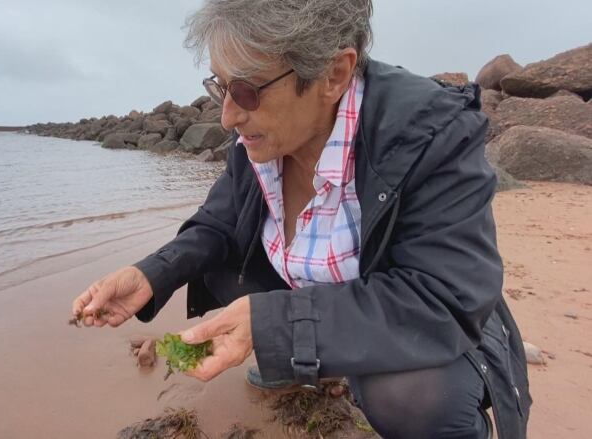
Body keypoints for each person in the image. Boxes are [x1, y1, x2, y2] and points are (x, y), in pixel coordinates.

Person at [71, 1, 531, 437]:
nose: (229, 116)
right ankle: (309, 358)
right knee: (219, 266)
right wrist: (150, 275)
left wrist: (273, 326)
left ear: (334, 74)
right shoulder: (259, 142)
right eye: (219, 86)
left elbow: (444, 296)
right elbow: (216, 222)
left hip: (433, 321)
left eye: (247, 90)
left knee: (409, 395)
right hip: (321, 299)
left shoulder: (429, 135)